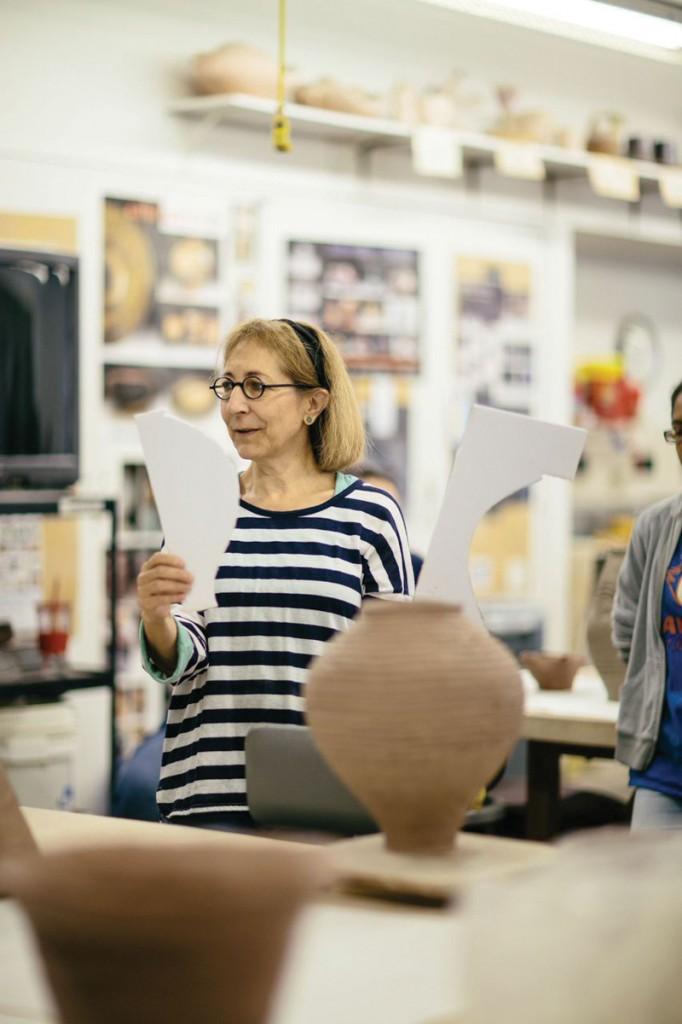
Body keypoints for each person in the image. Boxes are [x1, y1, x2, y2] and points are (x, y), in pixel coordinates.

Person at [136, 318, 414, 830]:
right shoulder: (200, 505)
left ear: (314, 403)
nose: (234, 405)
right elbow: (184, 657)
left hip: (331, 794)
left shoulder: (371, 516)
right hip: (211, 796)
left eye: (257, 386)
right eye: (227, 385)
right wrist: (158, 619)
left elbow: (390, 670)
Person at [612, 379, 682, 830]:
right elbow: (625, 631)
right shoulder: (656, 527)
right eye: (680, 430)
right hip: (664, 768)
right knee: (647, 901)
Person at [351, 461, 424, 582]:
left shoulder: (415, 567)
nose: (385, 518)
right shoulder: (342, 564)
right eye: (375, 507)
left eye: (392, 507)